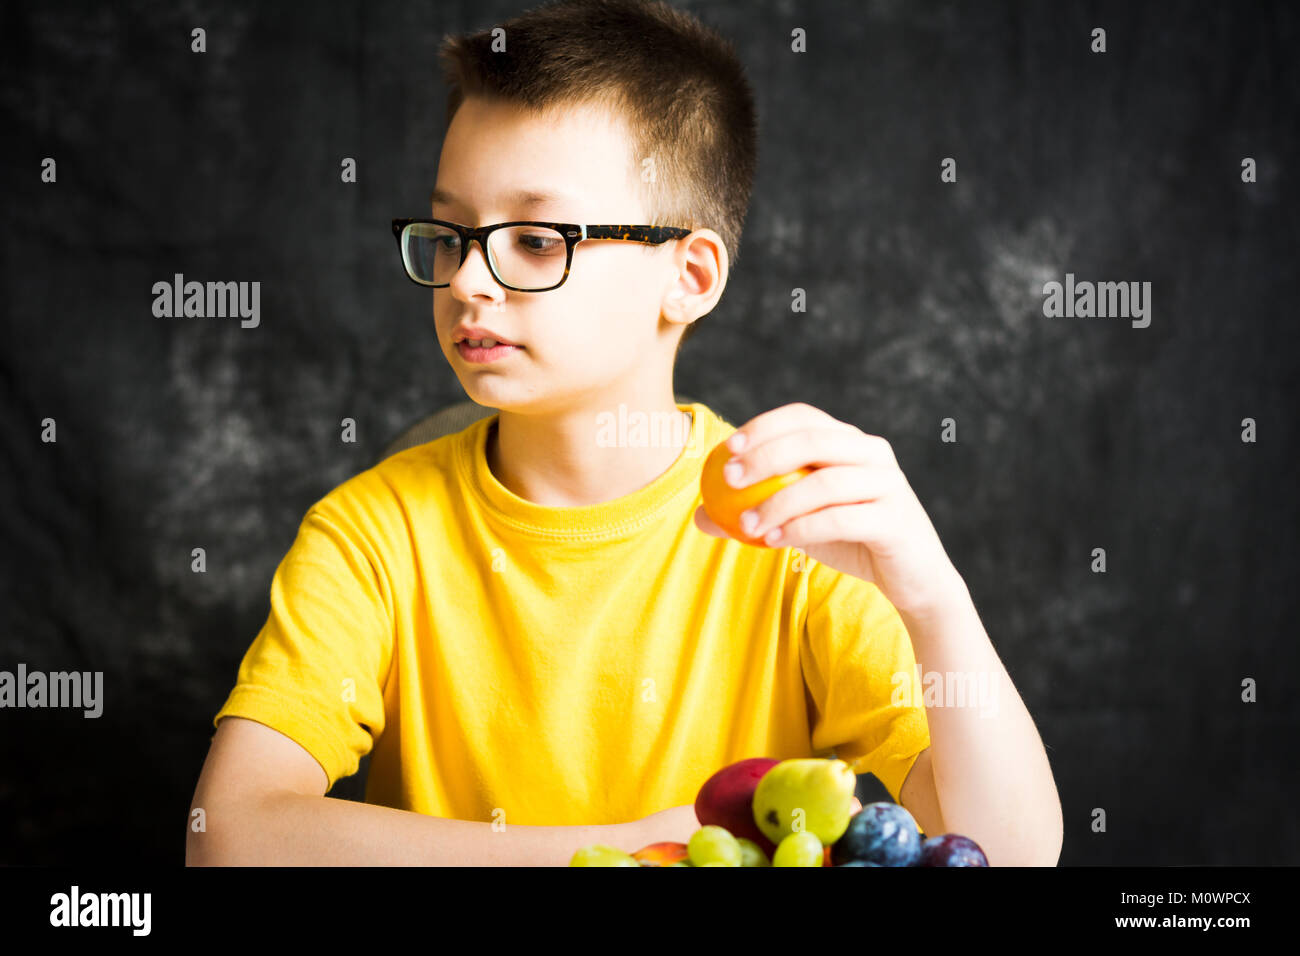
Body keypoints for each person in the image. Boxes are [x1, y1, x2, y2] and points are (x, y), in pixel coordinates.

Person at [187, 0, 1061, 867]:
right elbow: (230, 836)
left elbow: (1008, 857)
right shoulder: (372, 536)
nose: (467, 283)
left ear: (688, 274)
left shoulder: (794, 533)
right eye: (451, 235)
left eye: (534, 240)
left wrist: (934, 601)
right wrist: (633, 852)